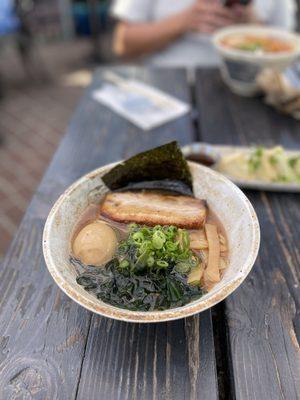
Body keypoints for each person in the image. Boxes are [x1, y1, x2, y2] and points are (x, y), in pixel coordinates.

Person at [111, 0, 297, 67]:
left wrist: (250, 28)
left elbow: (289, 58)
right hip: (167, 86)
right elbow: (124, 44)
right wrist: (184, 21)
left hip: (252, 92)